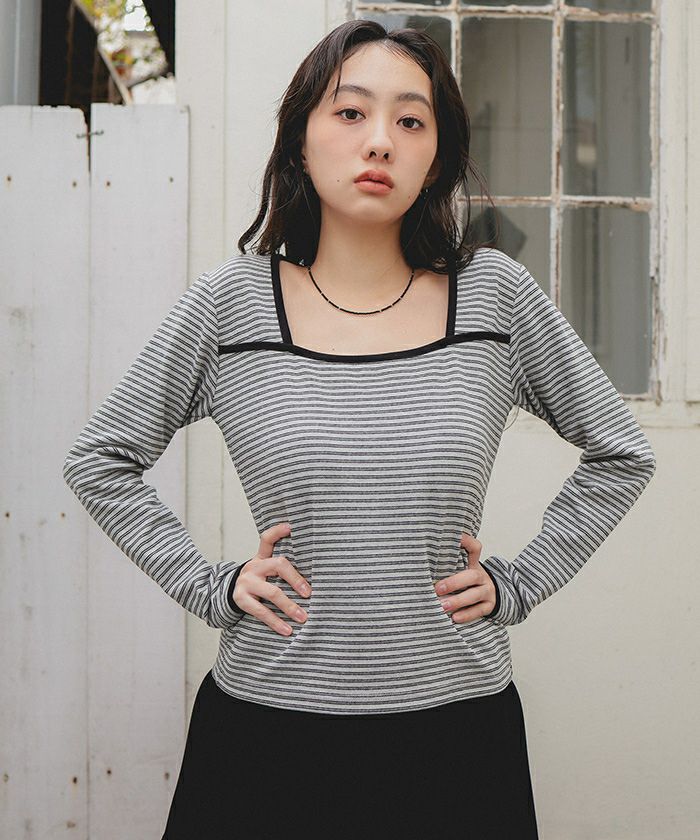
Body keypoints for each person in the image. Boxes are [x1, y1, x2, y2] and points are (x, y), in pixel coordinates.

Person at [62, 19, 657, 840]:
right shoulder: (232, 304)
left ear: (436, 158)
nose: (380, 140)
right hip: (267, 737)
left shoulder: (494, 296)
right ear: (300, 140)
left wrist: (520, 583)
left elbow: (621, 452)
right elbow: (101, 459)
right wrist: (209, 585)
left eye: (411, 120)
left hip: (457, 737)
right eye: (350, 112)